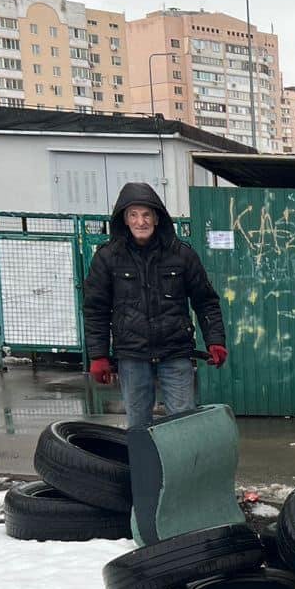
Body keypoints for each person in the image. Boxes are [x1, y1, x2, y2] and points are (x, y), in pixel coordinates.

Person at [82, 182, 227, 430]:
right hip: (132, 356)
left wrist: (215, 340)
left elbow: (205, 300)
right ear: (124, 219)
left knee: (183, 424)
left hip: (175, 353)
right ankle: (142, 469)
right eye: (134, 215)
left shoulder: (181, 255)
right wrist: (98, 355)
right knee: (139, 426)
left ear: (157, 218)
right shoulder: (108, 257)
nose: (141, 222)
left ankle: (182, 470)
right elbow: (95, 308)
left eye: (147, 214)